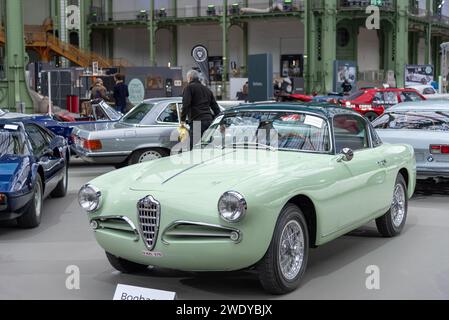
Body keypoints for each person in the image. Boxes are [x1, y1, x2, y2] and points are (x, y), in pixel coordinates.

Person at [181, 69, 221, 150]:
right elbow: (215, 107)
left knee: (195, 147)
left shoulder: (189, 88)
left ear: (189, 78)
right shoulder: (207, 90)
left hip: (197, 121)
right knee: (206, 146)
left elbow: (186, 105)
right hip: (209, 121)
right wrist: (221, 122)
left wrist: (182, 120)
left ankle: (195, 162)